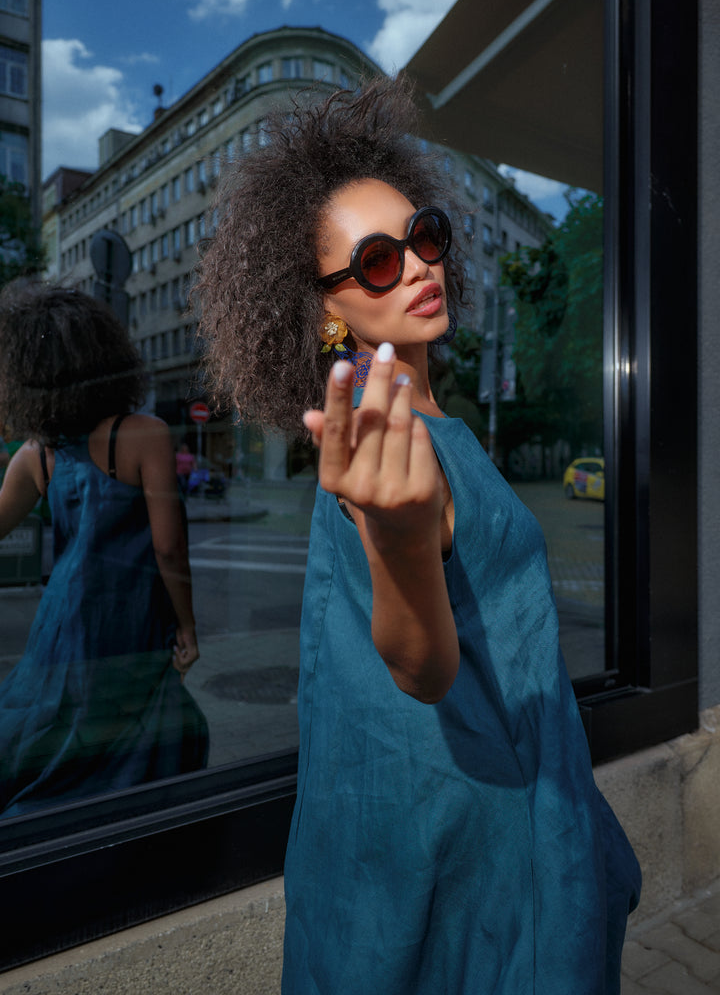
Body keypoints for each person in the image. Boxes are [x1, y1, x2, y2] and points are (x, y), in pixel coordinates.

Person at [193, 79, 641, 994]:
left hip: (486, 788)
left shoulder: (438, 418)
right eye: (376, 260)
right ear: (324, 306)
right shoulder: (381, 440)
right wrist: (397, 543)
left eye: (425, 236)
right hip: (469, 818)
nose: (419, 266)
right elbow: (420, 664)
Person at [0, 286, 208, 818]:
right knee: (136, 732)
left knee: (56, 726)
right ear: (106, 355)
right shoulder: (145, 435)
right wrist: (186, 625)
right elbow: (169, 547)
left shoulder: (35, 455)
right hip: (127, 615)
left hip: (62, 619)